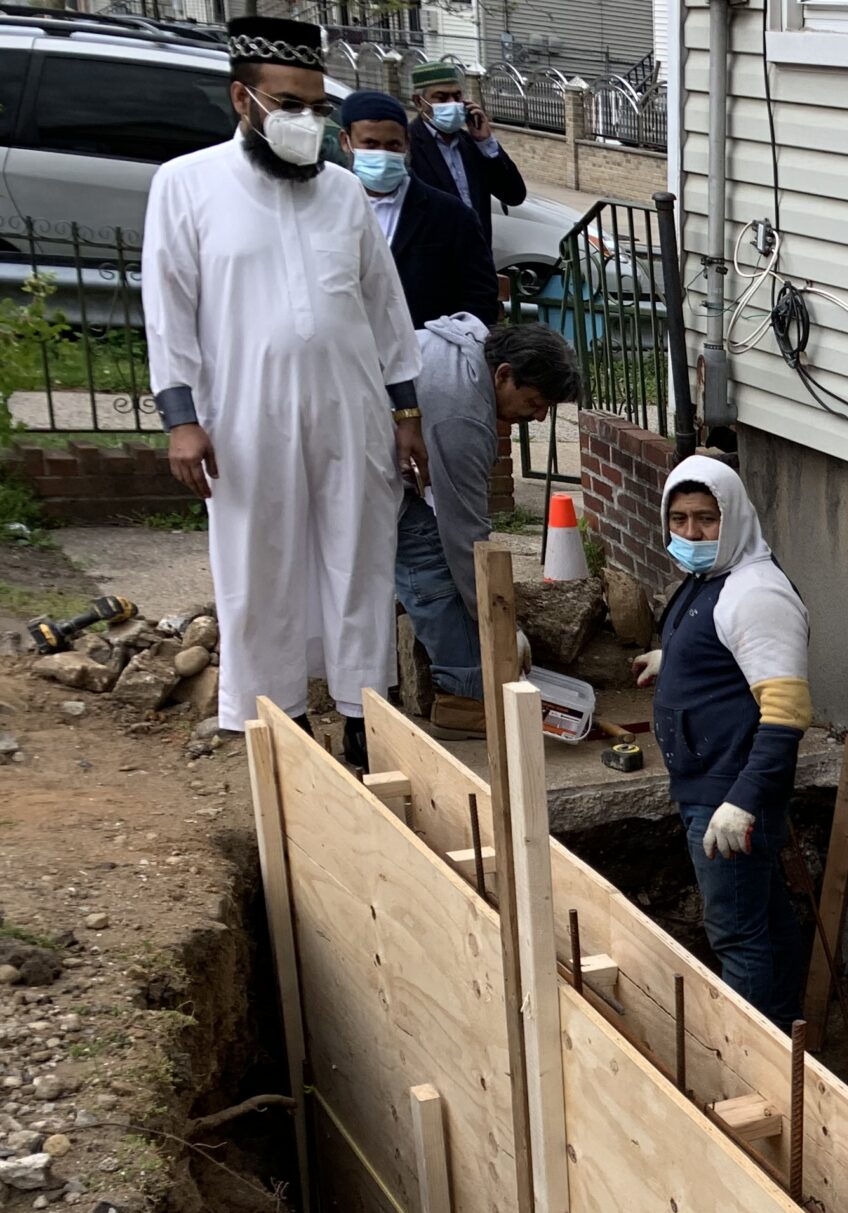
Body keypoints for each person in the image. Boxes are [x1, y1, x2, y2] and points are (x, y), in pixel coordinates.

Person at [144, 14, 428, 761]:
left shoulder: (341, 194)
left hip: (352, 409)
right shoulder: (186, 185)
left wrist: (405, 413)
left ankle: (366, 719)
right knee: (258, 564)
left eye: (316, 106)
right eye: (288, 103)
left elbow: (384, 307)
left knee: (359, 560)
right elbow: (167, 307)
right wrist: (181, 417)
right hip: (244, 416)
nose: (306, 121)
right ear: (244, 100)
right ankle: (284, 731)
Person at [632, 459, 811, 1027]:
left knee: (737, 933)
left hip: (729, 797)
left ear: (732, 518)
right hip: (714, 785)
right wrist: (678, 660)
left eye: (706, 520)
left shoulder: (756, 594)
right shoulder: (714, 579)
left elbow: (786, 713)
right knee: (765, 919)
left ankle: (754, 1057)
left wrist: (741, 801)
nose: (689, 533)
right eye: (678, 519)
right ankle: (786, 1033)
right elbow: (733, 651)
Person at [402, 319, 581, 736]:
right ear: (503, 374)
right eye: (535, 401)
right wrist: (505, 627)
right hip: (339, 456)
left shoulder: (466, 349)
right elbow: (466, 539)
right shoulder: (462, 416)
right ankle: (463, 699)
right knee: (430, 559)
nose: (537, 418)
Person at [338, 91, 501, 328]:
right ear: (346, 141)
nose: (382, 154)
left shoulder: (450, 216)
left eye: (393, 145)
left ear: (407, 143)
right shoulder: (326, 208)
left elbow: (480, 300)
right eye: (370, 144)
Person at [406, 61, 527, 239]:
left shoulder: (471, 145)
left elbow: (514, 195)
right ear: (419, 102)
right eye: (442, 97)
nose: (452, 103)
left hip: (478, 259)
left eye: (457, 96)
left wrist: (486, 143)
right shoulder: (408, 146)